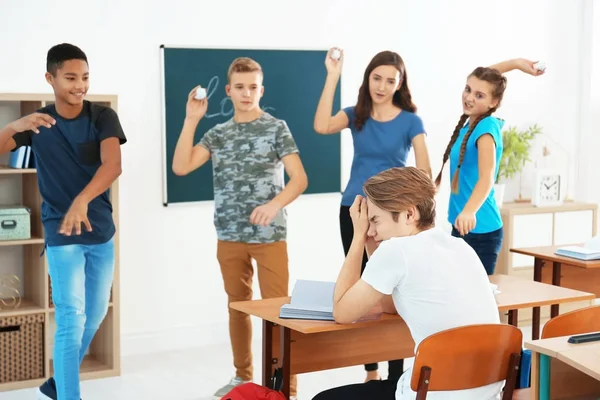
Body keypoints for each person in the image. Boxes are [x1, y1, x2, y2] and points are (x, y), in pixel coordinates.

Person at [171, 57, 307, 399]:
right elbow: (181, 167)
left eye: (253, 87)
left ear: (261, 90)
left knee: (278, 313)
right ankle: (241, 376)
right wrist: (191, 119)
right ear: (229, 91)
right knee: (237, 306)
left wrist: (274, 205)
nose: (247, 94)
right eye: (240, 87)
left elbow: (300, 179)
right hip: (229, 236)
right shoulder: (217, 134)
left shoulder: (276, 127)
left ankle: (284, 385)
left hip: (270, 236)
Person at [0, 43, 127, 400]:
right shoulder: (38, 123)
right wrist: (14, 125)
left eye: (85, 77)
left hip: (100, 230)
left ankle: (58, 383)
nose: (80, 85)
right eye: (70, 77)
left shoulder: (102, 117)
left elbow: (112, 165)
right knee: (71, 317)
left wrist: (83, 201)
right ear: (50, 78)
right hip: (61, 231)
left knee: (96, 313)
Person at [312, 167, 503, 400]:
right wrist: (372, 245)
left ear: (409, 214)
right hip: (485, 390)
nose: (372, 229)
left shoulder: (397, 250)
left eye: (375, 220)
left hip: (437, 393)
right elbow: (390, 306)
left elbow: (342, 312)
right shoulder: (460, 246)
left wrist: (357, 236)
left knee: (323, 399)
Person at [313, 48, 431, 382]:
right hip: (355, 210)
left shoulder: (411, 121)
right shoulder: (356, 115)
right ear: (367, 79)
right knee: (360, 283)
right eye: (376, 78)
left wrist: (413, 212)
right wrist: (332, 75)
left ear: (400, 83)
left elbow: (424, 168)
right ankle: (371, 370)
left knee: (392, 289)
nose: (381, 85)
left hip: (393, 217)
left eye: (390, 80)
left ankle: (396, 372)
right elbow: (321, 125)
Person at [435, 58, 544, 275]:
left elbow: (487, 178)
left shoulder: (486, 128)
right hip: (463, 225)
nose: (469, 97)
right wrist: (515, 64)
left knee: (476, 301)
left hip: (480, 230)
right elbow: (485, 77)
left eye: (479, 95)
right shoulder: (471, 123)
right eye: (467, 89)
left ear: (493, 103)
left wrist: (469, 211)